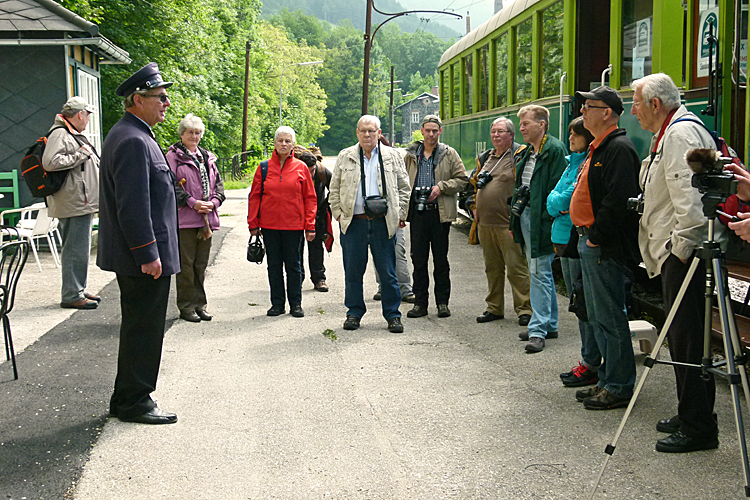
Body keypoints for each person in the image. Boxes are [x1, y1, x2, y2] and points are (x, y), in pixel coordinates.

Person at [631, 73, 724, 452]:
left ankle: (698, 426)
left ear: (655, 104)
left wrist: (679, 250)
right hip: (679, 251)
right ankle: (691, 412)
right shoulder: (671, 133)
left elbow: (691, 204)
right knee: (684, 337)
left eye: (636, 103)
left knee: (687, 340)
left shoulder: (680, 135)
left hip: (683, 254)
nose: (633, 110)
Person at [97, 62, 179, 424]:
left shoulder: (135, 134)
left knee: (138, 327)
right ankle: (136, 401)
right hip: (144, 257)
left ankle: (126, 396)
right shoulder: (132, 139)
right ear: (136, 99)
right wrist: (147, 252)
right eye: (160, 97)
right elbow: (133, 205)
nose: (166, 103)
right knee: (144, 331)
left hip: (143, 255)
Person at [570, 86, 640, 410]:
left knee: (610, 316)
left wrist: (596, 236)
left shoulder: (618, 149)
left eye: (589, 106)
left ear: (607, 112)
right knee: (598, 315)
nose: (582, 111)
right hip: (590, 242)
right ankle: (606, 380)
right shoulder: (599, 148)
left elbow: (617, 201)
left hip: (602, 246)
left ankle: (619, 386)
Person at [329, 115, 410, 333]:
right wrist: (338, 213)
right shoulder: (345, 156)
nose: (367, 135)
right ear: (357, 132)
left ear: (379, 133)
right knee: (353, 272)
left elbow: (404, 187)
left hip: (383, 223)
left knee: (388, 272)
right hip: (354, 223)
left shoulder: (392, 156)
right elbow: (334, 188)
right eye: (363, 131)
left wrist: (400, 213)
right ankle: (354, 313)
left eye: (372, 131)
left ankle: (393, 315)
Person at [547, 117, 600, 387]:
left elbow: (563, 199)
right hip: (564, 239)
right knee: (578, 305)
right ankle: (587, 359)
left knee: (583, 304)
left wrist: (557, 203)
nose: (570, 139)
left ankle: (591, 361)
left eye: (575, 135)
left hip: (572, 237)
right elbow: (552, 198)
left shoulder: (583, 165)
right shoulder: (571, 163)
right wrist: (557, 203)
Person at [510, 105, 567, 352]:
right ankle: (549, 323)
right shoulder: (529, 152)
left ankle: (538, 329)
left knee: (538, 271)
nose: (521, 128)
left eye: (526, 124)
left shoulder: (553, 150)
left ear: (541, 124)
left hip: (540, 220)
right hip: (527, 216)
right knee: (539, 271)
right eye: (521, 124)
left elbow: (558, 188)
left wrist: (544, 218)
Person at [402, 115, 469, 318]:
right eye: (428, 130)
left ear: (440, 132)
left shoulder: (449, 154)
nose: (431, 134)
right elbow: (402, 182)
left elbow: (462, 180)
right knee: (418, 260)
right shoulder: (411, 155)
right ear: (421, 130)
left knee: (441, 261)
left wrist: (441, 187)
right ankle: (420, 304)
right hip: (418, 215)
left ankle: (442, 303)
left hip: (440, 215)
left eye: (435, 130)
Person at [247, 126, 317, 318]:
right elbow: (254, 197)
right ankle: (277, 304)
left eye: (288, 141)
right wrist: (253, 223)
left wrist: (310, 226)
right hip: (269, 227)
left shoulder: (301, 168)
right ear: (275, 143)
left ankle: (296, 303)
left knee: (294, 266)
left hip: (294, 226)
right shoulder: (264, 168)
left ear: (293, 144)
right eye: (280, 141)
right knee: (274, 266)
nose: (284, 144)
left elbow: (310, 198)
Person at [469, 117, 532, 326]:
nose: (496, 135)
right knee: (492, 268)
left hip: (508, 224)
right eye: (493, 131)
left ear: (511, 135)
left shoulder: (519, 155)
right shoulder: (485, 157)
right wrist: (474, 207)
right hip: (486, 224)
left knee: (516, 268)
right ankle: (494, 307)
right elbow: (472, 185)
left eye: (501, 132)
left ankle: (524, 309)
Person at [42, 96, 100, 310]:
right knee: (75, 249)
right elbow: (50, 162)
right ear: (79, 115)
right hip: (74, 202)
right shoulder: (60, 133)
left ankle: (78, 289)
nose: (88, 120)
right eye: (87, 115)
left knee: (79, 248)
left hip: (78, 201)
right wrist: (80, 154)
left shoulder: (70, 133)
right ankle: (71, 294)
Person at [166, 113, 225, 322]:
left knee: (201, 266)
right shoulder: (172, 157)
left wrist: (214, 203)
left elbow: (219, 185)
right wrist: (193, 202)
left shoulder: (207, 157)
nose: (194, 136)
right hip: (184, 220)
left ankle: (200, 304)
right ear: (182, 133)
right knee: (185, 266)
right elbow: (170, 187)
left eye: (198, 132)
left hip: (206, 220)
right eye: (190, 132)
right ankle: (186, 306)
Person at [374, 133, 415, 303]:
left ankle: (405, 288)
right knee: (378, 253)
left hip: (393, 213)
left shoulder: (395, 159)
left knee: (398, 251)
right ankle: (383, 287)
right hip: (374, 214)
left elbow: (404, 187)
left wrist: (401, 213)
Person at [295, 146, 332, 292]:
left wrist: (326, 205)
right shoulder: (294, 172)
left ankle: (319, 279)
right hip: (296, 215)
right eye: (306, 171)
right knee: (296, 247)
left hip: (317, 214)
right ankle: (297, 278)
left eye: (312, 171)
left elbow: (335, 188)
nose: (309, 174)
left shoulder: (322, 172)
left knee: (316, 246)